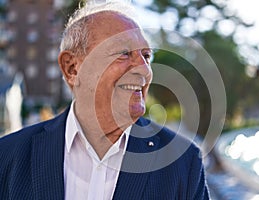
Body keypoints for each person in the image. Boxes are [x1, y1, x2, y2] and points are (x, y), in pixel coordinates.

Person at [0, 1, 210, 199]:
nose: (144, 70)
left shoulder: (184, 163)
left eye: (146, 56)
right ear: (72, 68)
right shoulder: (8, 156)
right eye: (124, 53)